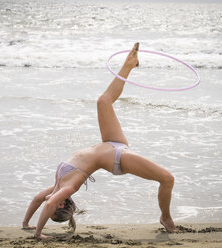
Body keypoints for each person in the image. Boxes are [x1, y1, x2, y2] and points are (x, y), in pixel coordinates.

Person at [22, 43, 177, 239]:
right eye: (52, 207)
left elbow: (39, 199)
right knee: (167, 178)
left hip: (111, 143)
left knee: (103, 101)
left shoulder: (57, 187)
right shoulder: (70, 187)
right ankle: (166, 217)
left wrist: (26, 223)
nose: (48, 201)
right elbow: (48, 204)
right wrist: (38, 234)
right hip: (118, 158)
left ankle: (129, 64)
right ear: (61, 203)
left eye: (50, 205)